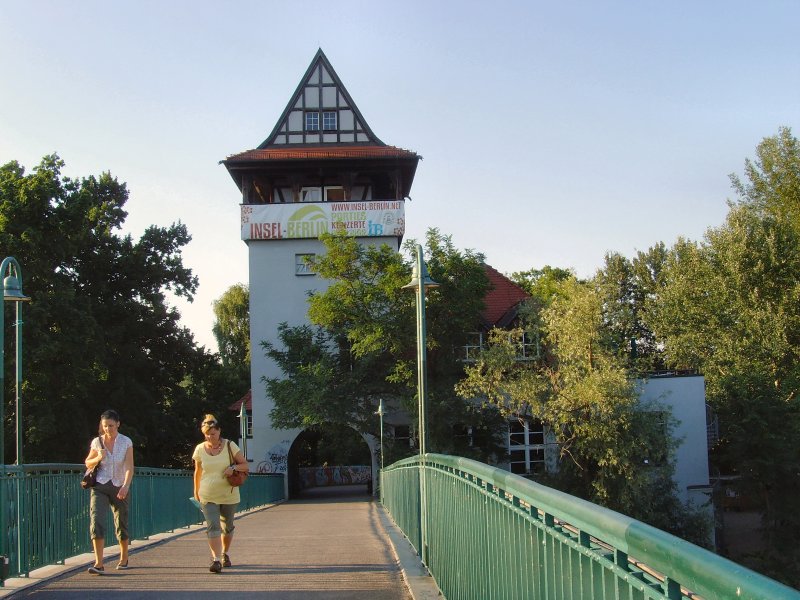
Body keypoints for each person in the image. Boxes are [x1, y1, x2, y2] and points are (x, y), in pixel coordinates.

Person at [192, 414, 249, 573]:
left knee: (228, 527)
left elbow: (245, 465)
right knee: (213, 527)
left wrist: (233, 468)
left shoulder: (230, 446)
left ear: (219, 431)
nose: (210, 437)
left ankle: (224, 553)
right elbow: (197, 472)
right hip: (207, 495)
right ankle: (216, 559)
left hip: (229, 495)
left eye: (213, 434)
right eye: (207, 435)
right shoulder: (199, 449)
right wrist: (196, 491)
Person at [84, 409, 134, 575]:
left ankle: (124, 557)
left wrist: (126, 485)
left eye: (111, 425)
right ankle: (99, 563)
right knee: (96, 519)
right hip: (100, 485)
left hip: (120, 485)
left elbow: (129, 466)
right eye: (105, 426)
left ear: (118, 424)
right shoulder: (97, 442)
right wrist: (98, 457)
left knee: (121, 521)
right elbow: (87, 462)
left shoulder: (126, 442)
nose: (108, 429)